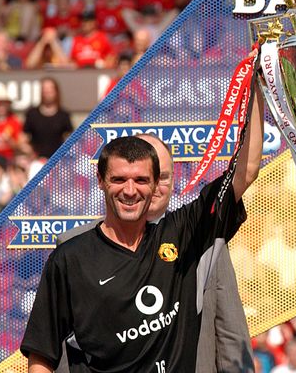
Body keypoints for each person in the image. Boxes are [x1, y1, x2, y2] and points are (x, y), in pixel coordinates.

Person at [21, 86, 264, 371]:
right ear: (101, 181)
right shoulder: (70, 258)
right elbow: (42, 355)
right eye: (119, 179)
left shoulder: (183, 234)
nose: (130, 190)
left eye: (141, 180)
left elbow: (245, 171)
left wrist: (257, 83)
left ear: (154, 185)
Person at [55, 133, 255, 373]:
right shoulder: (74, 248)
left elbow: (230, 332)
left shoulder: (203, 238)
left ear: (172, 181)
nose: (151, 186)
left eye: (162, 177)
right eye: (142, 176)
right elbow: (59, 345)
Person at [21, 77, 74, 160]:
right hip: (36, 161)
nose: (47, 92)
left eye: (50, 89)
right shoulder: (32, 114)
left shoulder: (64, 115)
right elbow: (23, 139)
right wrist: (31, 153)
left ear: (56, 92)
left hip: (58, 161)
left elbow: (70, 139)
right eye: (44, 89)